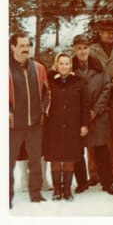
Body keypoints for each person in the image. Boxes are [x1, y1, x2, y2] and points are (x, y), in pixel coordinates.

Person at [71, 35, 113, 196]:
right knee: (77, 150)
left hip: (97, 114)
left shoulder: (99, 65)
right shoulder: (69, 65)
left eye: (85, 47)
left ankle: (107, 183)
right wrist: (79, 114)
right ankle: (82, 183)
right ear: (74, 49)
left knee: (101, 149)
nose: (82, 51)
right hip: (76, 115)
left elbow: (107, 88)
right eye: (79, 48)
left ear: (89, 49)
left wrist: (96, 110)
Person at [9, 33, 50, 208]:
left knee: (35, 160)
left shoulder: (39, 68)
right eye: (21, 45)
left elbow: (47, 92)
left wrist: (42, 110)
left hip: (34, 123)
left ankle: (36, 193)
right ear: (12, 47)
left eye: (28, 45)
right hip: (12, 125)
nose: (26, 48)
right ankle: (6, 196)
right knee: (8, 161)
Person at [44, 52, 90, 201]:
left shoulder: (79, 82)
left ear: (71, 65)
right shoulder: (49, 81)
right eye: (61, 63)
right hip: (54, 126)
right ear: (56, 65)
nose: (64, 66)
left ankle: (67, 189)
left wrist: (84, 124)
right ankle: (57, 190)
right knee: (56, 157)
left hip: (73, 126)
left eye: (67, 63)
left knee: (70, 157)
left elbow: (85, 105)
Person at [89, 17, 113, 185]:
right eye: (107, 32)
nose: (111, 35)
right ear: (100, 32)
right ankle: (94, 172)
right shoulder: (92, 50)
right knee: (94, 134)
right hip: (97, 97)